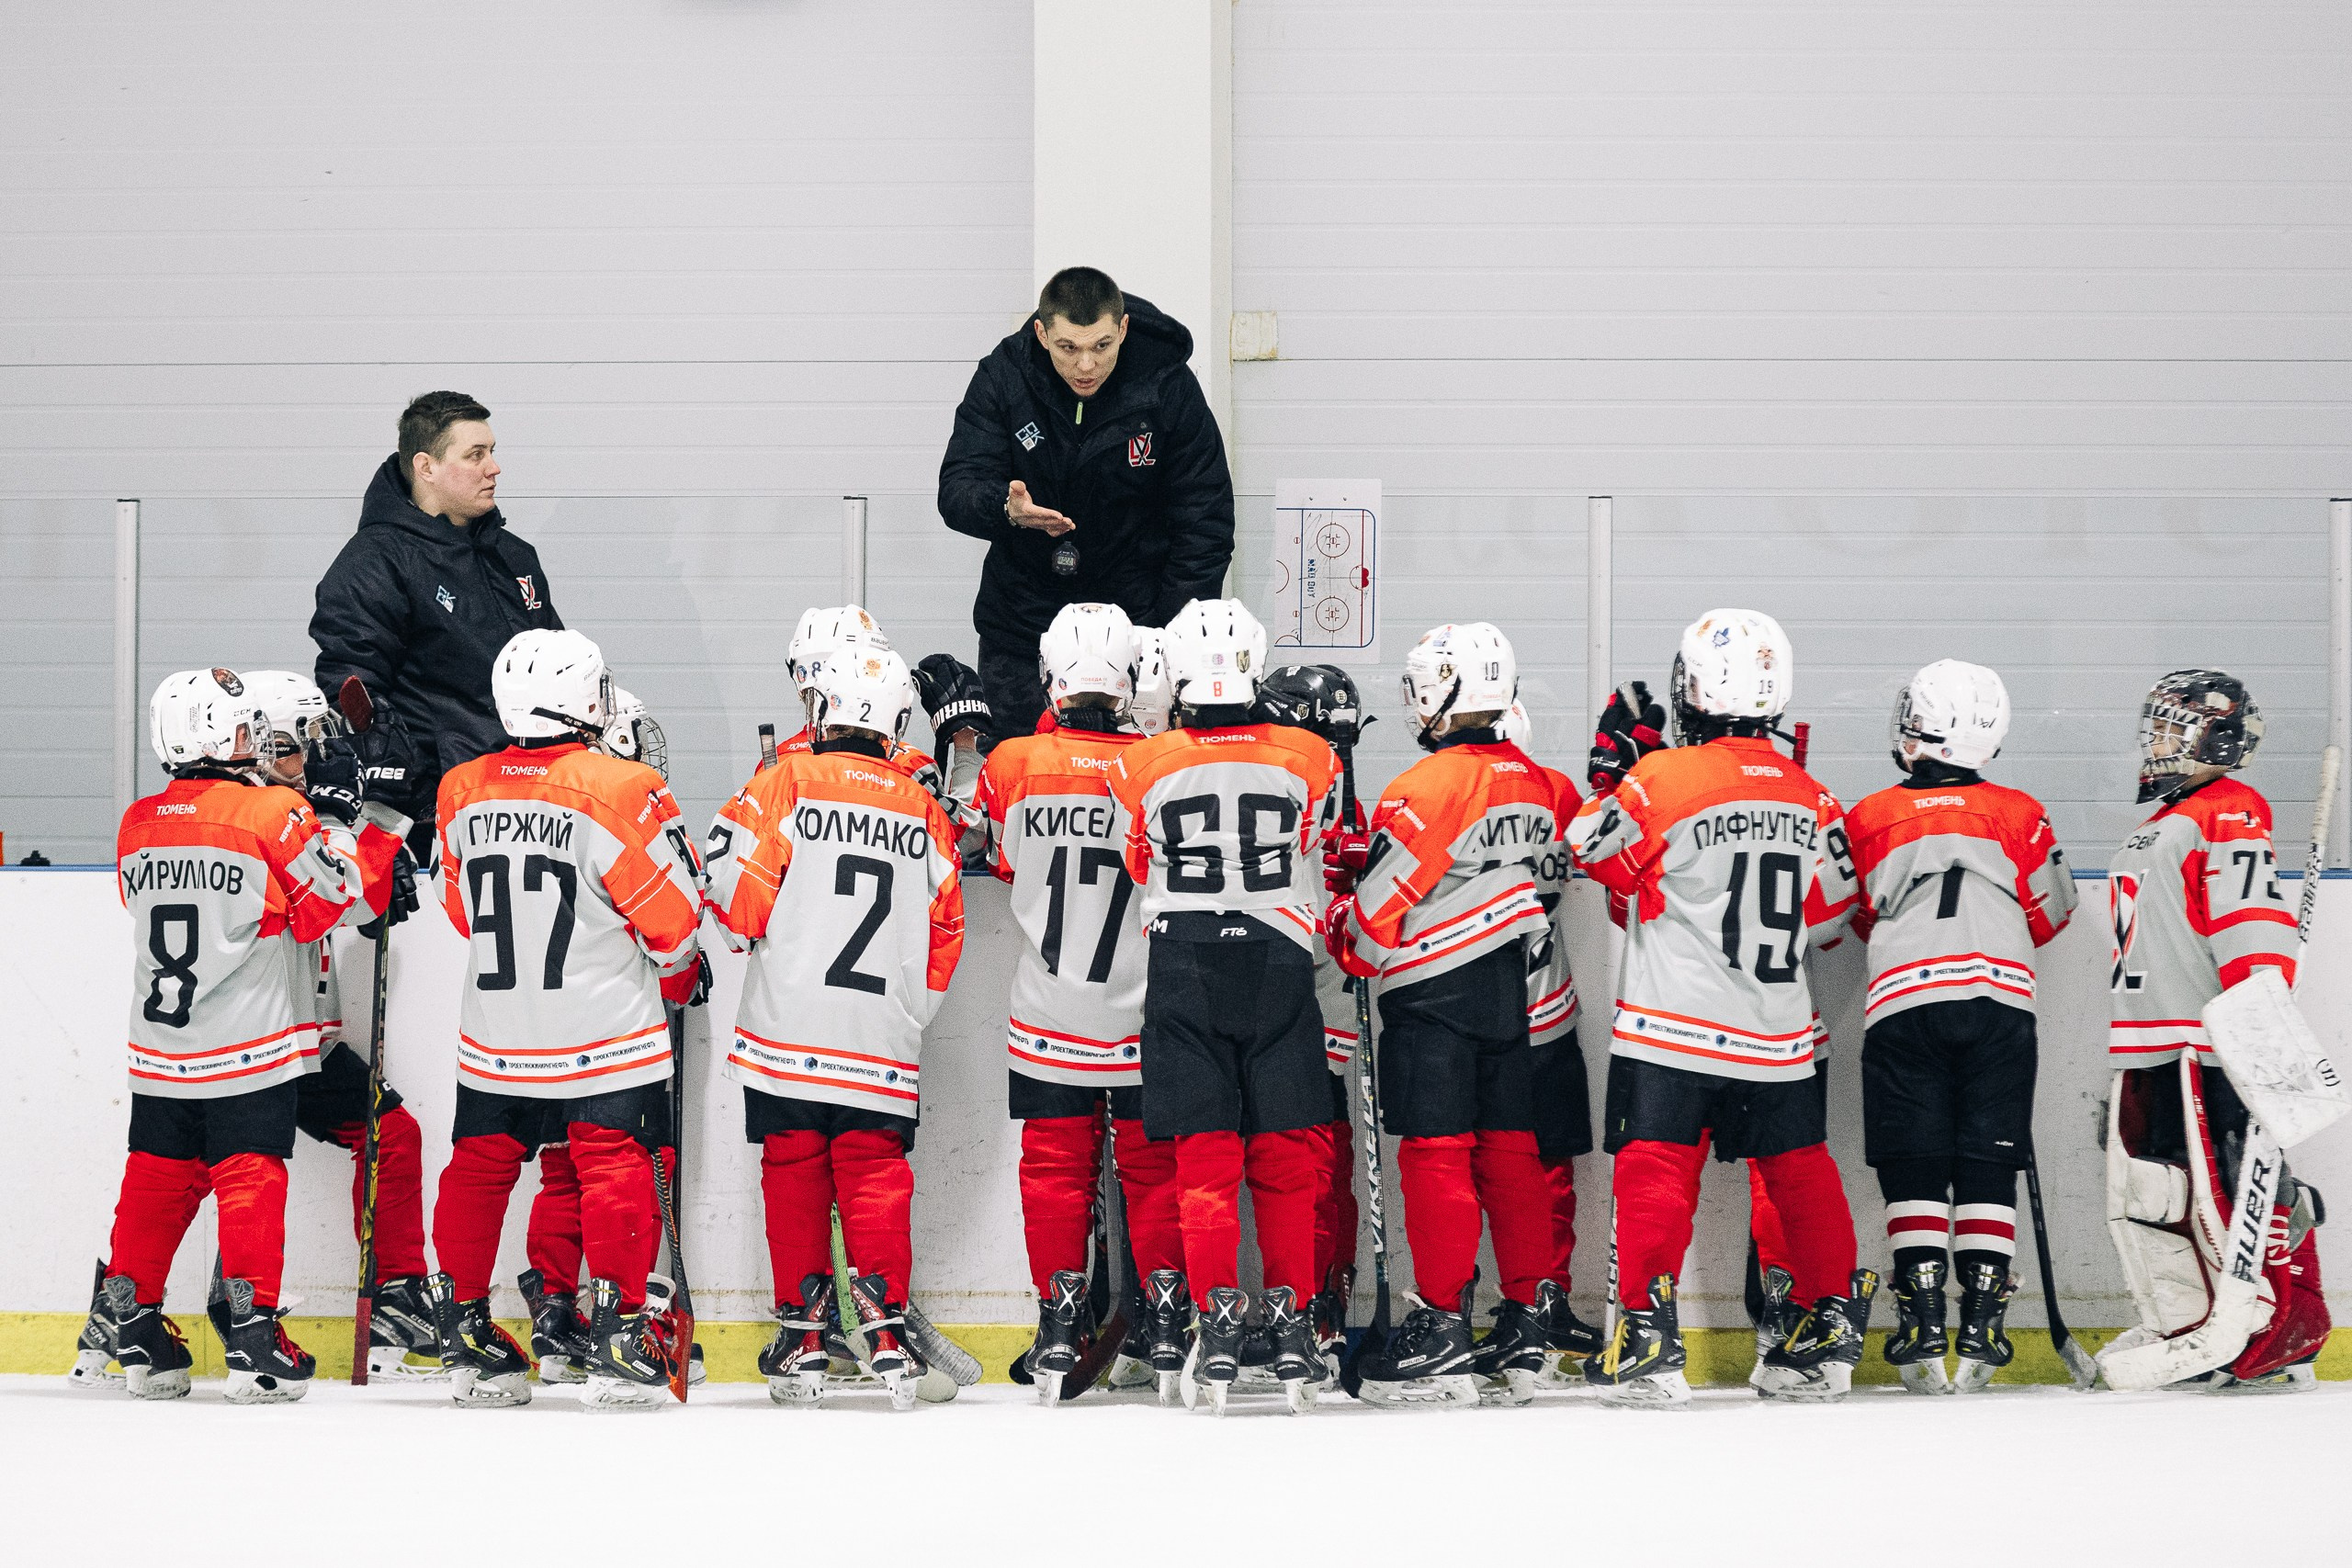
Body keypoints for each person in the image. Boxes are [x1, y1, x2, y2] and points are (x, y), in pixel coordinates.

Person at [1567, 609, 1869, 1406]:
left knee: (1656, 1167)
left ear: (1694, 686)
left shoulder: (1662, 778)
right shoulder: (1814, 794)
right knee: (1802, 1171)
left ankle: (1648, 1341)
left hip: (1673, 1020)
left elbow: (1590, 848)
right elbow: (1830, 915)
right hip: (1777, 1026)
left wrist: (1612, 773)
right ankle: (1830, 1328)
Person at [426, 630, 706, 1410]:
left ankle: (463, 1329)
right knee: (615, 1164)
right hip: (604, 1029)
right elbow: (676, 923)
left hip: (498, 1030)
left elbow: (461, 911)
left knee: (479, 1165)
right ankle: (618, 1332)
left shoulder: (460, 788)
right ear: (587, 698)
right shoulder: (621, 784)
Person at [90, 669, 365, 1404]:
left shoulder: (137, 821)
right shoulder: (272, 810)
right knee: (250, 1177)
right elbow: (331, 902)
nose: (254, 739)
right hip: (248, 1038)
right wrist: (339, 823)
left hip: (161, 1042)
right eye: (244, 728)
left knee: (153, 1177)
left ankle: (133, 1325)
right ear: (217, 735)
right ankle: (253, 1334)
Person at [706, 647, 966, 1411]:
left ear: (823, 709)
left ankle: (804, 1334)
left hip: (787, 1027)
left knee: (793, 1164)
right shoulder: (923, 806)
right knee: (875, 1167)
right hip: (878, 1034)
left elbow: (736, 906)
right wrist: (910, 1013)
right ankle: (885, 1330)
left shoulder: (783, 781)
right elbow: (947, 928)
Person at [1107, 598, 1339, 1416]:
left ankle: (1219, 1321)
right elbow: (1310, 842)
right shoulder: (1311, 754)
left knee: (1203, 1160)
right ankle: (1292, 1321)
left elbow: (1141, 862)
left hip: (1184, 962)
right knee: (1285, 1157)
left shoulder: (1142, 762)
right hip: (1279, 962)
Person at [1324, 625, 1560, 1407]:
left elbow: (1377, 916)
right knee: (1511, 1151)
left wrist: (1345, 920)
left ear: (1440, 690)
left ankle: (1443, 1326)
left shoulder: (1425, 785)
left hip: (1434, 987)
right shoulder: (1533, 777)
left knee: (1438, 1153)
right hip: (1507, 985)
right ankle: (1527, 1322)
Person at [1843, 660, 2077, 1393]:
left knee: (1913, 1163)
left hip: (1904, 1001)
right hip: (2001, 1006)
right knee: (1987, 1162)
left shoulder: (1870, 814)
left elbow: (1851, 916)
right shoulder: (2021, 812)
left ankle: (1920, 1325)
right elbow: (2053, 913)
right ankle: (1981, 1325)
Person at [976, 602, 1182, 1402]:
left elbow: (1002, 863)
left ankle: (1060, 1325)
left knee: (1054, 1170)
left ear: (1050, 674)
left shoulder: (1012, 762)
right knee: (1154, 1170)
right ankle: (1166, 1322)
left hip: (1050, 1009)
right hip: (1144, 1008)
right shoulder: (1162, 761)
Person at [2100, 671, 2329, 1389]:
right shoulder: (2168, 816)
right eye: (2157, 727)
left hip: (2204, 1040)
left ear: (2219, 739)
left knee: (2230, 1185)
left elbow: (2250, 923)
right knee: (2162, 1191)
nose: (2156, 741)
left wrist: (2258, 1014)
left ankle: (2278, 1322)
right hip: (2148, 1037)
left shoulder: (2228, 808)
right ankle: (2195, 1318)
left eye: (2173, 728)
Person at [937, 266, 1236, 742]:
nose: (1085, 366)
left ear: (1123, 329)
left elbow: (1206, 522)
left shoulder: (1168, 387)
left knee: (1132, 780)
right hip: (1023, 630)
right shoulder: (1003, 377)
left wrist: (1170, 637)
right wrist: (1005, 509)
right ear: (1042, 334)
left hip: (1137, 633)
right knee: (1022, 773)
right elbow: (957, 488)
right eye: (1067, 348)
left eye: (1101, 346)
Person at [311, 390, 563, 858]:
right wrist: (400, 796)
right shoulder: (374, 562)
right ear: (426, 467)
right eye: (475, 454)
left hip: (537, 802)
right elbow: (353, 689)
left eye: (492, 452)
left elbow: (560, 665)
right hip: (439, 818)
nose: (494, 468)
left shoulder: (514, 556)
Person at [1252, 663, 1369, 1369]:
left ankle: (1317, 1304)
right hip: (1282, 991)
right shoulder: (1298, 786)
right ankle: (1304, 1302)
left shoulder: (1321, 793)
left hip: (1310, 997)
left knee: (1315, 1156)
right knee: (1300, 1157)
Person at [1494, 698, 1604, 1383]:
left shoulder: (1442, 787)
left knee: (1482, 1167)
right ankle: (1542, 1295)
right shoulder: (1554, 789)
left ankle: (1525, 1299)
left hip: (1486, 1011)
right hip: (1543, 1008)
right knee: (1542, 1172)